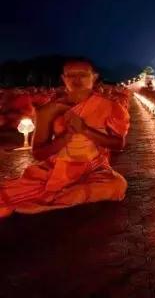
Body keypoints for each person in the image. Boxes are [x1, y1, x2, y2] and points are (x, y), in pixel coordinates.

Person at [0, 59, 129, 218]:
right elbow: (38, 153)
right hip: (55, 169)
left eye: (83, 75)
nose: (77, 80)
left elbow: (118, 144)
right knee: (7, 192)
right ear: (63, 78)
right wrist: (64, 139)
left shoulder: (110, 107)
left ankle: (62, 195)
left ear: (94, 77)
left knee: (117, 186)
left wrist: (85, 130)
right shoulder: (49, 110)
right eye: (71, 75)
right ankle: (64, 194)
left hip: (94, 169)